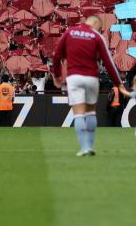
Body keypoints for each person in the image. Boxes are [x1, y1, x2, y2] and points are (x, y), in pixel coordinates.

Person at [51, 15, 128, 156]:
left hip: (74, 77)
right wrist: (119, 83)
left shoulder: (69, 32)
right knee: (91, 112)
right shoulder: (97, 37)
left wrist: (57, 76)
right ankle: (90, 146)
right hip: (91, 78)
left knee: (79, 113)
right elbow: (108, 62)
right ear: (96, 23)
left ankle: (84, 147)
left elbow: (56, 55)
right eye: (100, 28)